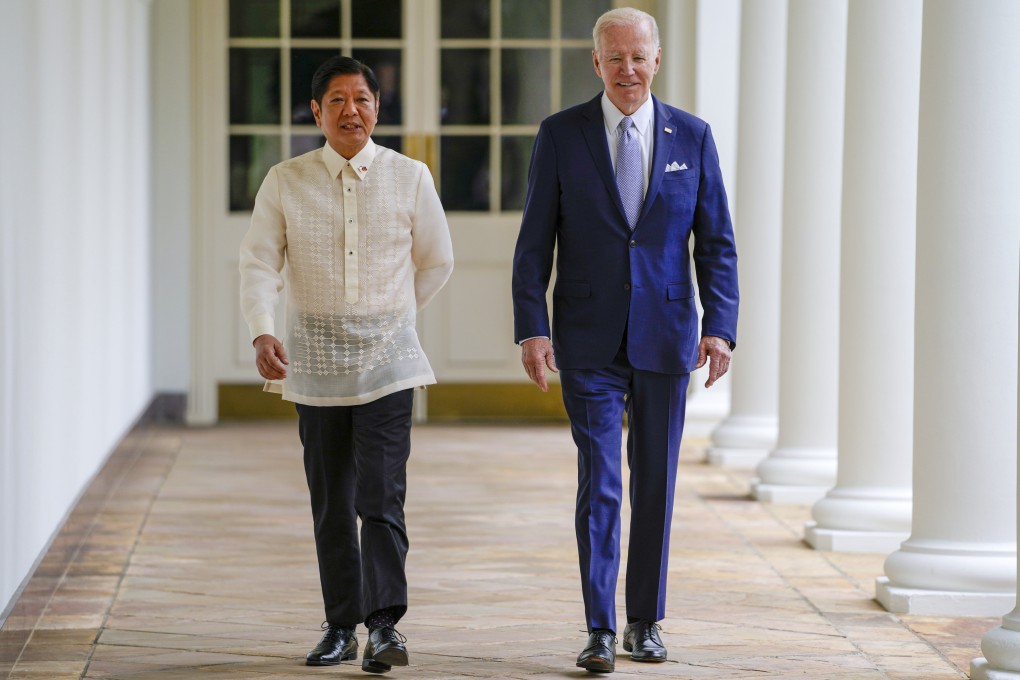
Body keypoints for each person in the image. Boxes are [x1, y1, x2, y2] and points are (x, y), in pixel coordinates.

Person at [511, 7, 738, 673]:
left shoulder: (691, 137)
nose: (628, 69)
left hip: (667, 338)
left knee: (656, 486)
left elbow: (717, 244)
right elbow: (533, 247)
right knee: (602, 481)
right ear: (596, 63)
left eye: (639, 57)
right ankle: (599, 628)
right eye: (615, 58)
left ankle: (645, 621)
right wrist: (533, 328)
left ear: (657, 60)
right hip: (587, 340)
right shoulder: (561, 135)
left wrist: (720, 327)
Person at [239, 55, 454, 674]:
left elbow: (437, 261)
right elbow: (258, 264)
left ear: (377, 108)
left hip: (390, 361)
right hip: (314, 363)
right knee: (332, 499)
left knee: (382, 496)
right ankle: (339, 626)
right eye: (336, 100)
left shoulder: (411, 176)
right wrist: (262, 332)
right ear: (316, 112)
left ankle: (384, 626)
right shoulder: (285, 179)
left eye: (361, 99)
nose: (350, 111)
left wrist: (394, 316)